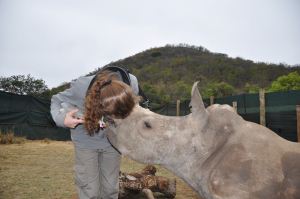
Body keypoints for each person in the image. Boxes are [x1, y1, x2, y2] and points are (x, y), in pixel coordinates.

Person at [50, 68, 139, 199]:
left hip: (113, 142)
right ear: (98, 104)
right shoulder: (81, 87)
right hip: (85, 140)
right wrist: (62, 119)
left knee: (110, 189)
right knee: (90, 190)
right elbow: (56, 100)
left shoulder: (131, 82)